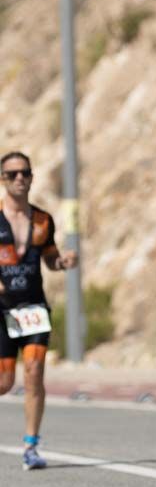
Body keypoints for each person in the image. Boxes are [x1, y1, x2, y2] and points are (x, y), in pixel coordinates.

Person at [0, 151, 78, 469]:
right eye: (13, 174)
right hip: (1, 311)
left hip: (33, 308)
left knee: (34, 374)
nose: (21, 179)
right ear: (3, 180)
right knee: (4, 383)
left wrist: (62, 263)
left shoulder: (43, 220)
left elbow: (49, 257)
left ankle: (31, 445)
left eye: (26, 173)